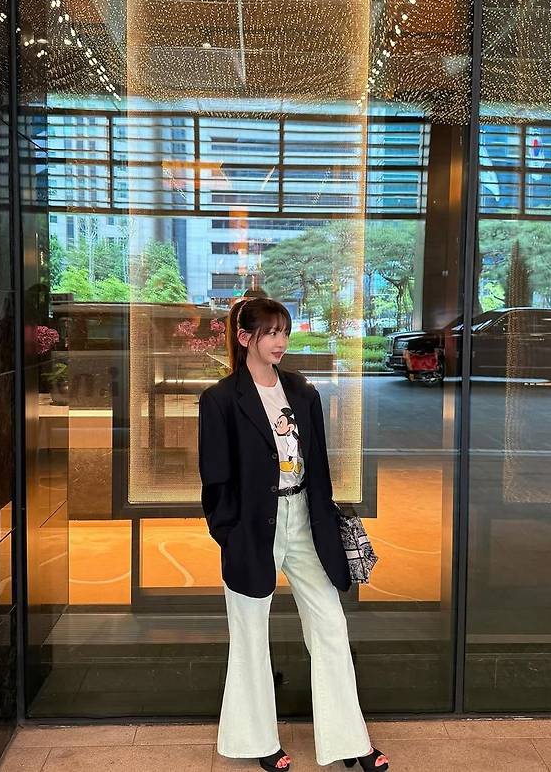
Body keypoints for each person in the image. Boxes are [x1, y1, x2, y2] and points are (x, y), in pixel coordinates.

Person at [198, 296, 389, 771]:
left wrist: (323, 513)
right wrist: (229, 533)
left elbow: (317, 463)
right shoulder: (220, 399)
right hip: (251, 528)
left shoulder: (302, 391)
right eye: (270, 332)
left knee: (330, 625)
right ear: (245, 337)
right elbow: (215, 479)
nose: (280, 341)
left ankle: (350, 741)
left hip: (305, 517)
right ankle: (258, 741)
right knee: (249, 635)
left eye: (284, 331)